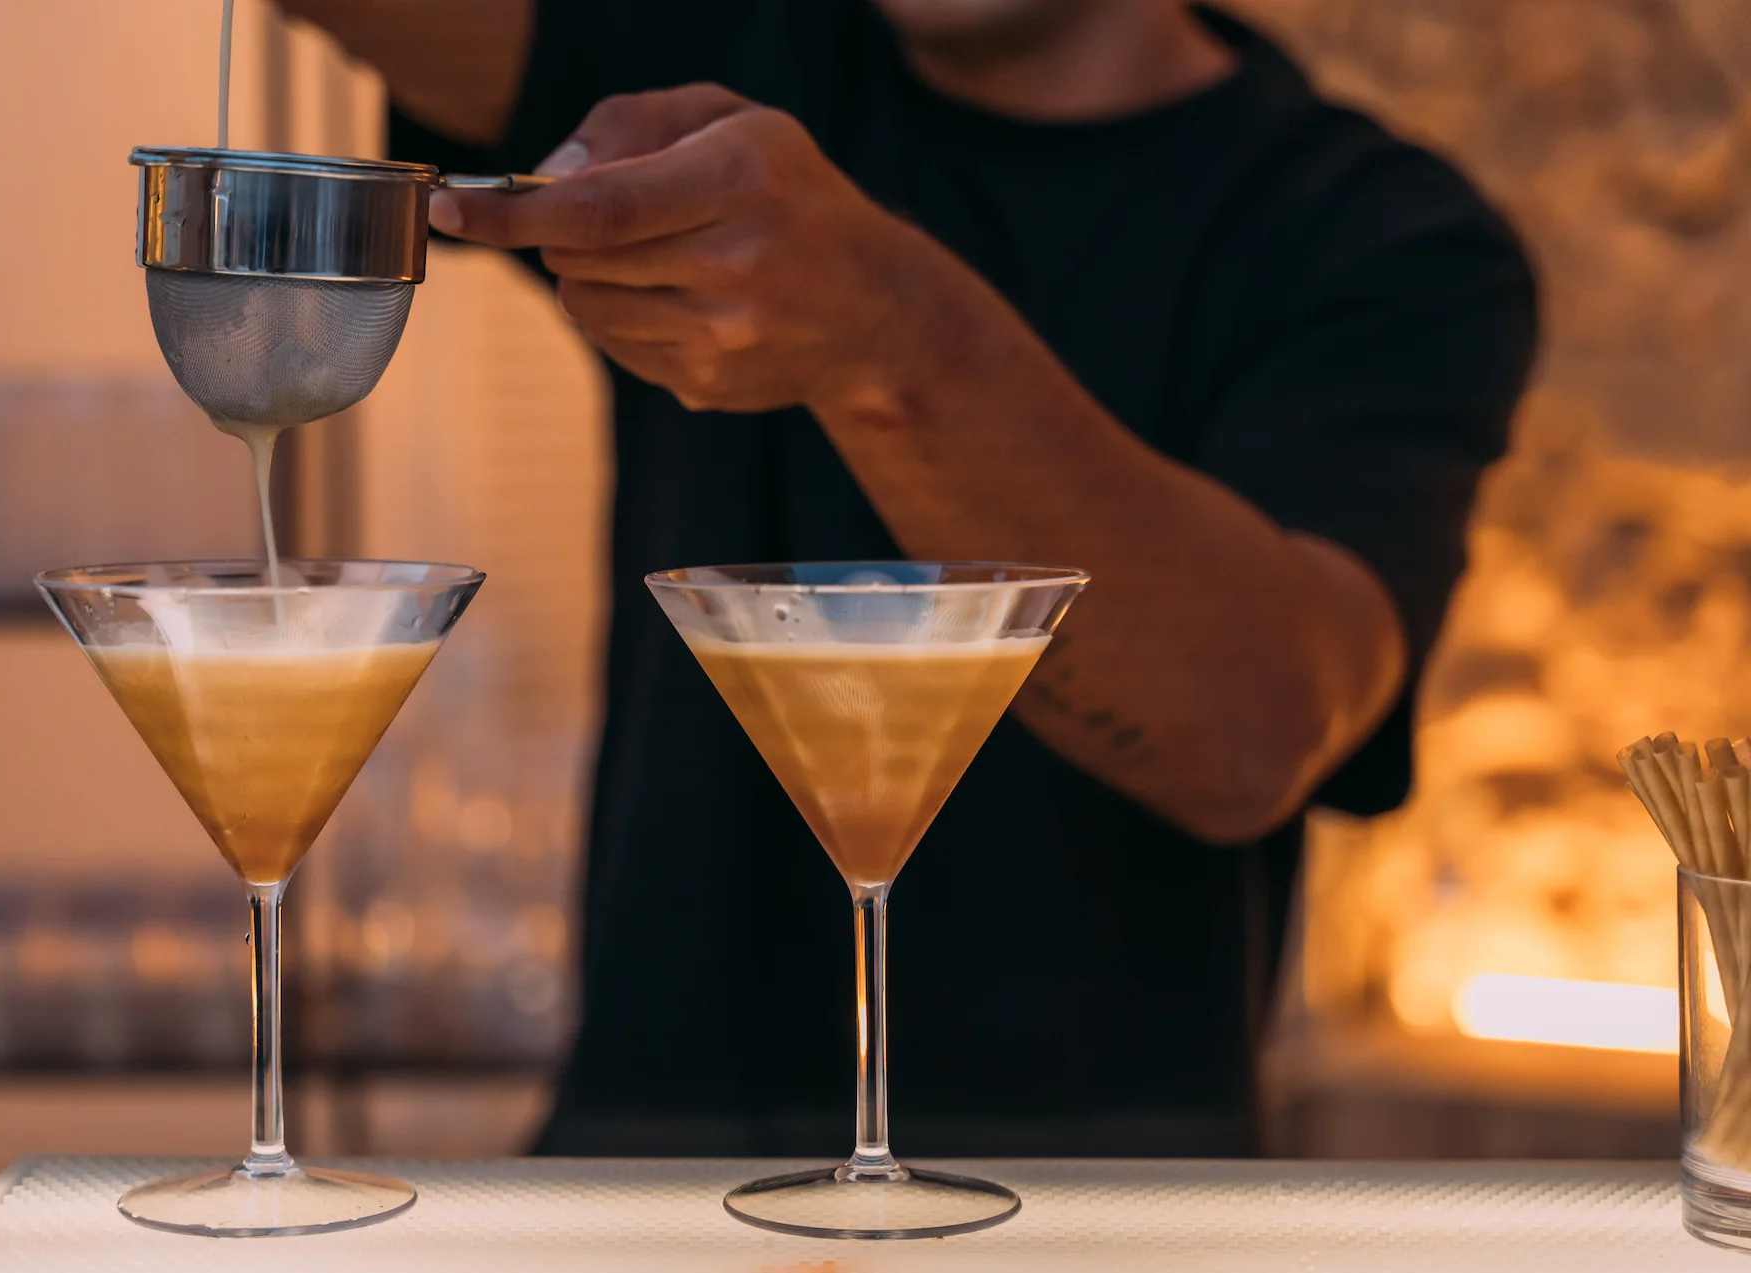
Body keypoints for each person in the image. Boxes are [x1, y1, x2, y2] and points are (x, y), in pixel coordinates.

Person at [282, 0, 1537, 1157]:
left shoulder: (1379, 240)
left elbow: (1258, 725)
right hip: (640, 1194)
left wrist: (891, 326)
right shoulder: (736, 62)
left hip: (1096, 1223)